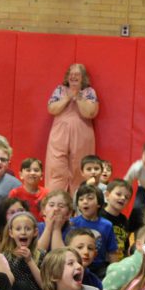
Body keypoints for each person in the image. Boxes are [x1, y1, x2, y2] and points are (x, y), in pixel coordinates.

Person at [44, 63, 99, 194]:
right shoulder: (60, 90)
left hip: (82, 134)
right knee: (56, 167)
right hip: (59, 133)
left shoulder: (89, 92)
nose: (73, 76)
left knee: (79, 169)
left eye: (77, 74)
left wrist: (78, 97)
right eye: (71, 73)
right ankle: (54, 200)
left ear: (83, 77)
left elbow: (90, 112)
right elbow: (52, 109)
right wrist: (68, 97)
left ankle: (78, 203)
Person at [70, 183, 118, 279]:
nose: (85, 202)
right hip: (76, 265)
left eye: (90, 198)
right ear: (78, 205)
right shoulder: (72, 223)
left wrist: (115, 272)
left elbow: (112, 252)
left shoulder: (107, 225)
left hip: (99, 268)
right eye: (81, 199)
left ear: (99, 204)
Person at [9, 157, 47, 223]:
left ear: (41, 176)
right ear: (21, 175)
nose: (32, 173)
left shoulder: (47, 193)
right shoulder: (15, 193)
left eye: (36, 170)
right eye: (28, 170)